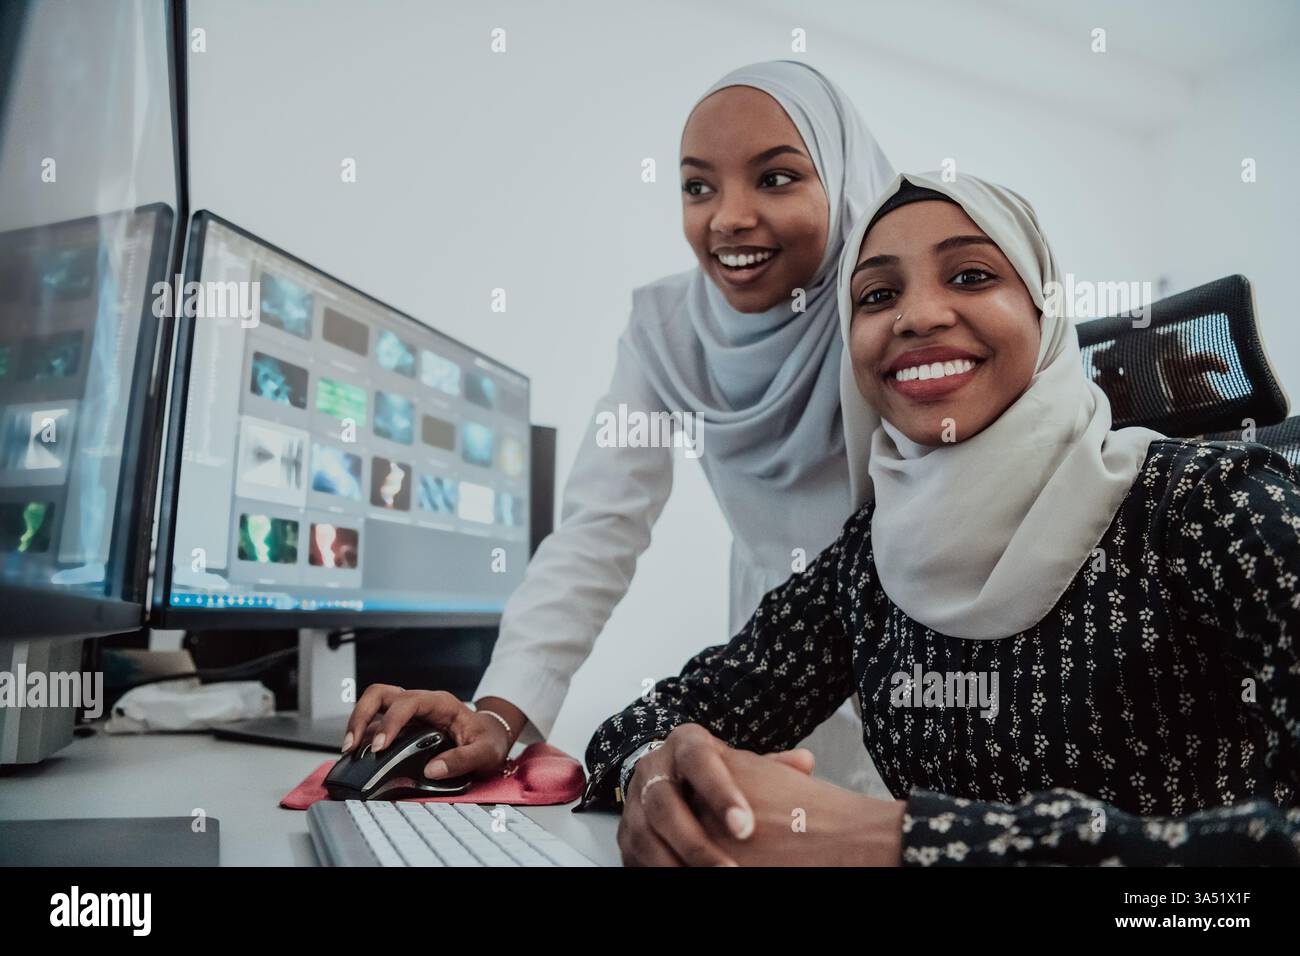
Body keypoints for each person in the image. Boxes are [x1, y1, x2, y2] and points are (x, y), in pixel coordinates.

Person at [577, 173, 1300, 866]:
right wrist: (657, 773)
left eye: (971, 276)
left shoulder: (1213, 502)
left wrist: (897, 843)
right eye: (878, 293)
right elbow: (662, 715)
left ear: (1045, 314)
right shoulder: (869, 559)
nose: (917, 315)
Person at [341, 61, 897, 796]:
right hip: (772, 653)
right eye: (698, 186)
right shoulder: (668, 331)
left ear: (845, 179)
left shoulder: (893, 312)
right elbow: (597, 531)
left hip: (916, 636)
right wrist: (499, 714)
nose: (727, 216)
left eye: (776, 178)